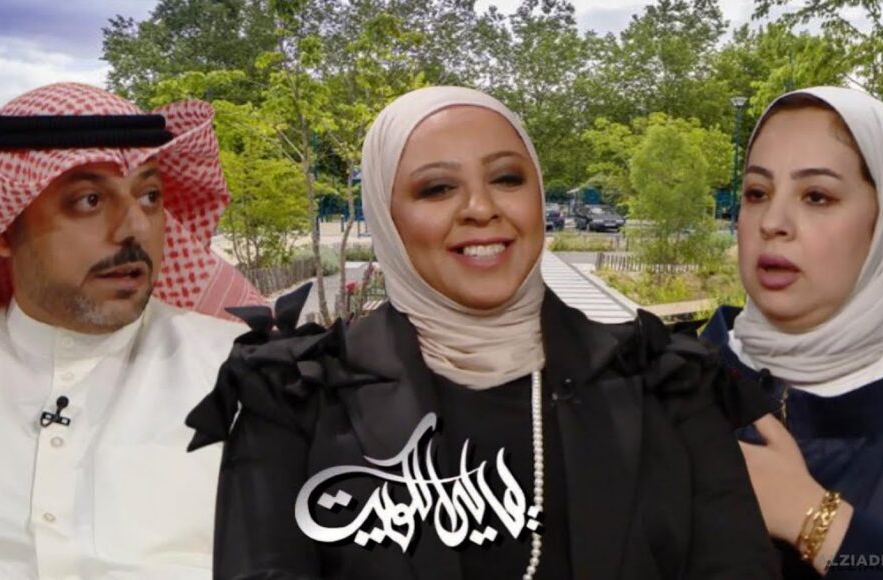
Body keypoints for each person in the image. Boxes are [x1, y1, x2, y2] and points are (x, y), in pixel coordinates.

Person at [187, 86, 779, 579]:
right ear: (387, 217)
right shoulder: (296, 396)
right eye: (437, 188)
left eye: (507, 178)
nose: (480, 207)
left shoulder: (663, 378)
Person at [0, 83, 264, 579]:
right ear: (2, 229)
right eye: (89, 200)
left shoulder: (256, 378)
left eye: (149, 196)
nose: (135, 228)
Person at [701, 86, 883, 578]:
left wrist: (812, 518)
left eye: (817, 196)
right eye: (757, 193)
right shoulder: (694, 368)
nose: (773, 223)